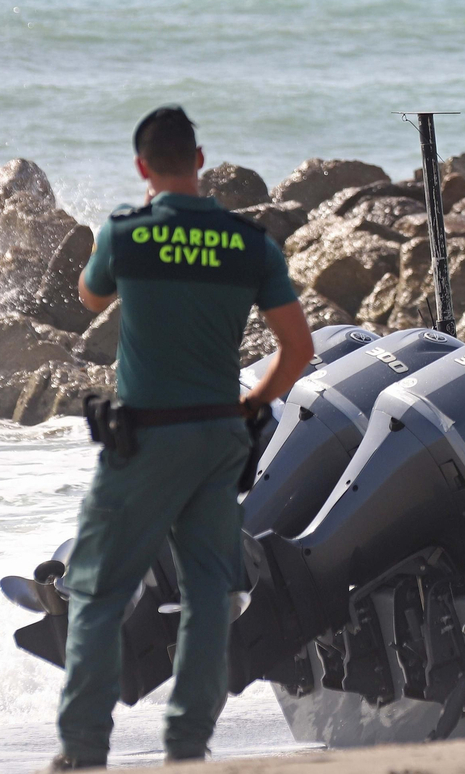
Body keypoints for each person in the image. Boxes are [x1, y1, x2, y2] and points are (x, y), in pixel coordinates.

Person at [44, 106, 313, 771]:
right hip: (220, 437)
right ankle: (187, 746)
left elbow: (87, 297)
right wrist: (254, 402)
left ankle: (82, 749)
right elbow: (297, 348)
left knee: (100, 590)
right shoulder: (248, 243)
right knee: (210, 594)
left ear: (142, 167)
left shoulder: (126, 234)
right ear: (200, 159)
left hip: (143, 441)